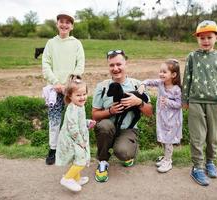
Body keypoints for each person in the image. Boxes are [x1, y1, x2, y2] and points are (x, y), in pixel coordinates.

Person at [182, 20, 217, 186]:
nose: (205, 41)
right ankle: (197, 167)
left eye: (209, 37)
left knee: (214, 136)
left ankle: (210, 162)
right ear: (197, 39)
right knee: (197, 136)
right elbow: (187, 79)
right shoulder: (192, 57)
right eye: (201, 37)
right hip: (196, 102)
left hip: (215, 103)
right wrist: (184, 99)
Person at [92, 50, 153, 182]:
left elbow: (149, 113)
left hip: (128, 129)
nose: (115, 68)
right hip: (109, 127)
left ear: (126, 64)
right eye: (111, 65)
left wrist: (139, 102)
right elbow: (95, 115)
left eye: (119, 64)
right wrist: (110, 111)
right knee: (103, 125)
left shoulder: (138, 85)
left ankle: (126, 152)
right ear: (108, 66)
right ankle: (103, 162)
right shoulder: (102, 87)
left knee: (123, 152)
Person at [42, 11, 85, 165]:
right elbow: (46, 64)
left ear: (71, 26)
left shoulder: (76, 43)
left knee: (73, 119)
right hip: (55, 89)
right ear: (57, 24)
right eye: (61, 21)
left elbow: (80, 65)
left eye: (68, 22)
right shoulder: (50, 43)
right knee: (54, 120)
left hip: (72, 90)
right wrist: (56, 83)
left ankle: (74, 147)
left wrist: (69, 84)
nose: (64, 24)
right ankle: (53, 149)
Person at [138, 59, 182, 173]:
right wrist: (143, 84)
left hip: (172, 120)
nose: (161, 74)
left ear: (173, 75)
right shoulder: (160, 83)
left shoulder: (176, 90)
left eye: (164, 72)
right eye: (160, 71)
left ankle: (168, 161)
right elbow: (149, 81)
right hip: (162, 118)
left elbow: (179, 104)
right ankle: (165, 157)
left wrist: (167, 101)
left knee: (168, 141)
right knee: (163, 138)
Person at [56, 75, 96, 192]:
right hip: (72, 139)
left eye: (84, 94)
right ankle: (67, 178)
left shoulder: (80, 106)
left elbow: (79, 122)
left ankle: (76, 178)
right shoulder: (72, 109)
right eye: (78, 95)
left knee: (77, 158)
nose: (82, 97)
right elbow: (72, 127)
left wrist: (87, 123)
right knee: (81, 161)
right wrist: (80, 141)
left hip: (76, 138)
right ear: (70, 96)